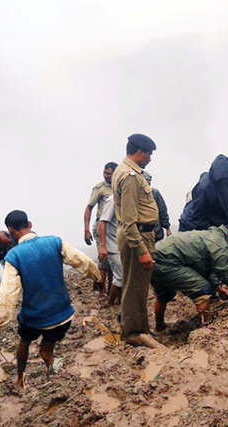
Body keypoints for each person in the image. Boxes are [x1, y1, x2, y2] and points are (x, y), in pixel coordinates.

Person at [0, 210, 100, 388]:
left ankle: (20, 378)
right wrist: (97, 278)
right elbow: (83, 261)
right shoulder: (55, 241)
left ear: (11, 231)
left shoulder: (13, 256)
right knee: (47, 345)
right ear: (29, 224)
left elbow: (8, 296)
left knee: (24, 341)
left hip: (35, 318)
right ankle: (50, 365)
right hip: (64, 315)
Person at [111, 134, 162, 348]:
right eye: (148, 153)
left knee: (139, 285)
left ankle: (141, 328)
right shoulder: (130, 176)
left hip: (140, 234)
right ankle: (134, 332)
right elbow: (130, 220)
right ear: (138, 151)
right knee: (135, 287)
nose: (149, 158)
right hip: (137, 236)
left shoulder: (126, 171)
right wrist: (142, 250)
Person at [152, 222, 228, 330]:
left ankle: (159, 327)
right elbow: (226, 275)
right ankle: (206, 326)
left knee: (164, 294)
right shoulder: (219, 243)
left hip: (154, 259)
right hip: (168, 261)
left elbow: (205, 269)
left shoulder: (210, 235)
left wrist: (218, 287)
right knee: (202, 288)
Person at [83, 162, 117, 293]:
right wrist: (86, 229)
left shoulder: (119, 186)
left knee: (114, 260)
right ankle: (100, 289)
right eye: (105, 173)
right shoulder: (100, 188)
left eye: (109, 173)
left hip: (115, 227)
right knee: (104, 260)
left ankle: (112, 290)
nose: (106, 176)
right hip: (101, 226)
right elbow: (89, 208)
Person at [98, 195, 123, 306]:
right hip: (112, 244)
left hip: (120, 243)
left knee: (120, 275)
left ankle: (116, 301)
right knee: (120, 276)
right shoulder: (113, 199)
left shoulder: (125, 197)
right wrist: (103, 246)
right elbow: (102, 222)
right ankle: (111, 302)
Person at [142, 172, 171, 241]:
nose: (148, 183)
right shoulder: (134, 193)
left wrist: (167, 228)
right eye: (147, 180)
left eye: (149, 181)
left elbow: (162, 211)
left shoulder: (155, 193)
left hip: (156, 232)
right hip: (142, 233)